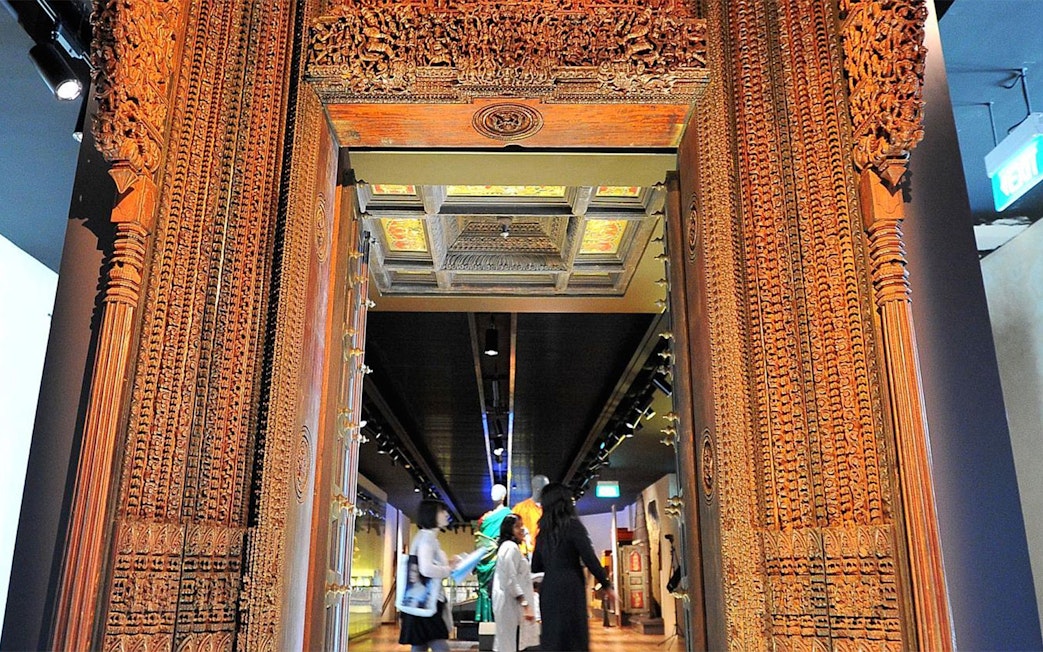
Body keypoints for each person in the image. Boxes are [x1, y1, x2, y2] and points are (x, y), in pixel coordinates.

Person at [531, 482, 618, 652]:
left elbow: (535, 565)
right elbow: (590, 559)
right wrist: (607, 585)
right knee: (574, 639)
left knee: (553, 638)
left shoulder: (543, 533)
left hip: (549, 589)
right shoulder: (573, 526)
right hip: (571, 587)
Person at [399, 500, 459, 652]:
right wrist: (449, 569)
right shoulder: (427, 538)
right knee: (437, 644)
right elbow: (426, 569)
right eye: (442, 511)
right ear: (430, 514)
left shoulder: (424, 536)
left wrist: (447, 565)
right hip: (426, 602)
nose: (446, 514)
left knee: (420, 644)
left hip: (419, 601)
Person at [492, 514, 539, 652]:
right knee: (510, 645)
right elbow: (510, 579)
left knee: (511, 644)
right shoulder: (509, 547)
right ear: (508, 529)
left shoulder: (512, 548)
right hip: (510, 605)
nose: (522, 529)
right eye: (517, 526)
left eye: (521, 525)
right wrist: (525, 605)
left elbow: (519, 577)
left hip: (511, 605)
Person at [475, 484, 513, 621]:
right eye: (492, 491)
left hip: (500, 557)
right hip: (485, 558)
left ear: (504, 496)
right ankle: (487, 621)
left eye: (497, 492)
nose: (494, 494)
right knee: (486, 589)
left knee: (500, 588)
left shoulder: (509, 515)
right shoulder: (485, 518)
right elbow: (479, 539)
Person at [512, 474, 548, 555]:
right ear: (538, 489)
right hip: (526, 554)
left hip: (547, 554)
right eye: (546, 487)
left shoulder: (551, 508)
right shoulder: (520, 508)